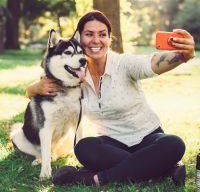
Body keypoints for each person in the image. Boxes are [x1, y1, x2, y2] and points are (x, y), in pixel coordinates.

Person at [26, 10, 195, 187]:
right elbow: (43, 84)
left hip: (147, 138)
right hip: (111, 145)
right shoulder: (73, 75)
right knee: (83, 148)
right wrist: (33, 88)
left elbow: (151, 63)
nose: (96, 40)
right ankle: (165, 170)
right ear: (79, 39)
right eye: (89, 34)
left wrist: (183, 54)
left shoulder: (124, 64)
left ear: (109, 38)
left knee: (174, 144)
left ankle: (92, 179)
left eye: (102, 34)